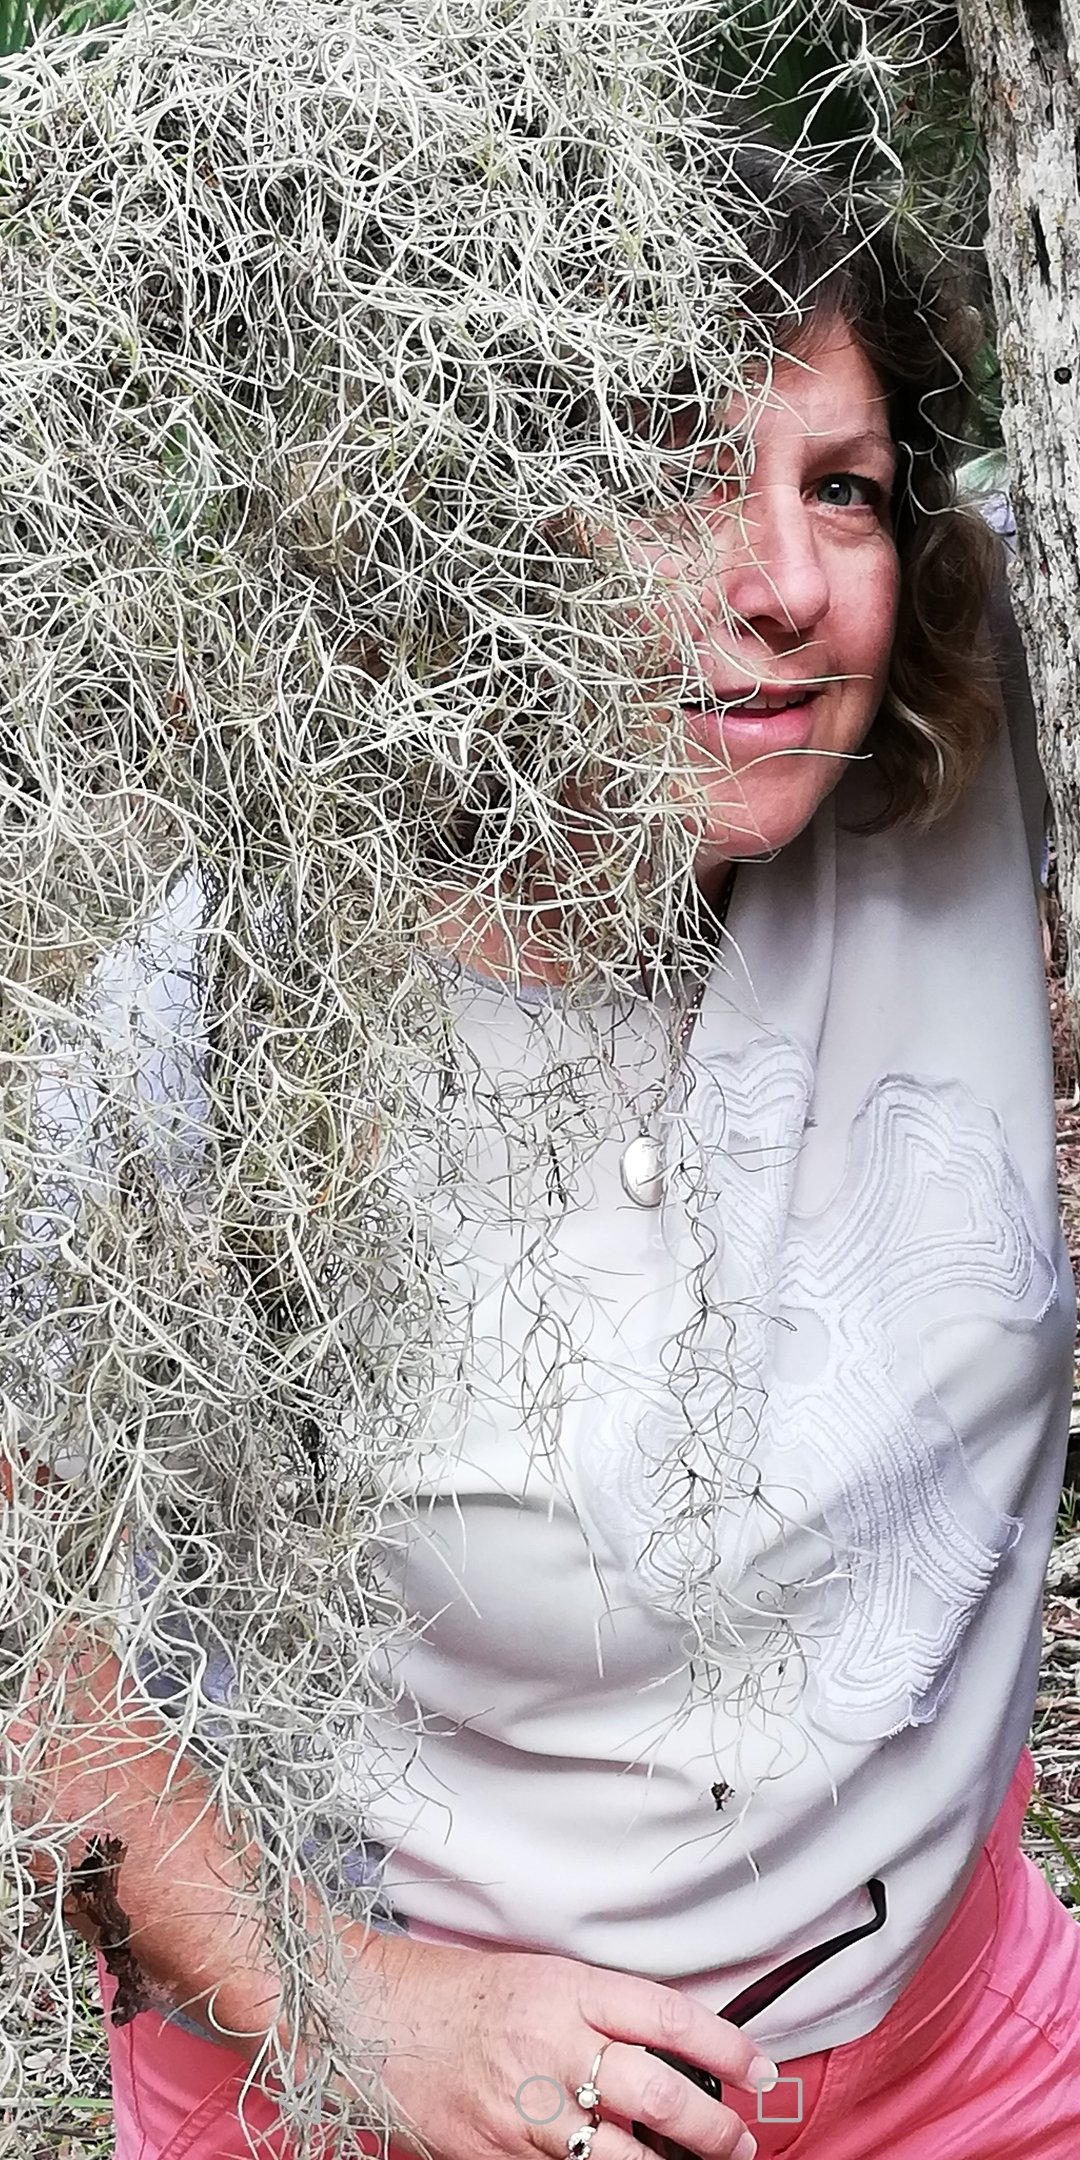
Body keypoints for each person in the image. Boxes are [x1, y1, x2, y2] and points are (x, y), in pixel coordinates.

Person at [6, 49, 1079, 2160]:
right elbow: (33, 1648)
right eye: (677, 475)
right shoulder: (214, 1020)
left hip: (950, 2062)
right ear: (475, 533)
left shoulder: (968, 771)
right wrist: (361, 2011)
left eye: (847, 490)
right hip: (385, 2103)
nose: (783, 580)